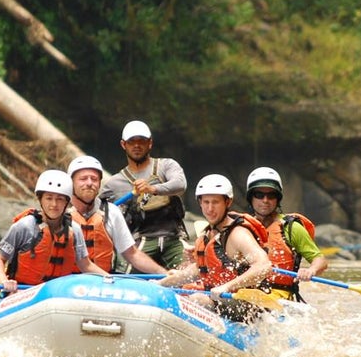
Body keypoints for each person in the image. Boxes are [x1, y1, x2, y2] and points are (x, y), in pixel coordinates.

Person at [159, 174, 272, 320]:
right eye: (206, 202)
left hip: (248, 306)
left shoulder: (238, 234)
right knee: (179, 295)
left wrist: (227, 286)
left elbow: (264, 266)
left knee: (197, 299)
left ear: (228, 202)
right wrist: (160, 284)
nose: (210, 208)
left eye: (215, 202)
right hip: (219, 300)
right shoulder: (206, 235)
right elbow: (197, 270)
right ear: (200, 203)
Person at [0, 169, 111, 295]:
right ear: (40, 199)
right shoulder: (25, 226)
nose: (54, 204)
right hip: (23, 292)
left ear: (66, 202)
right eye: (49, 198)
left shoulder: (74, 230)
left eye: (60, 199)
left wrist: (108, 278)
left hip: (56, 294)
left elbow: (85, 265)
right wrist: (5, 281)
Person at [100, 120, 189, 270]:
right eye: (131, 142)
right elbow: (97, 209)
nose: (136, 145)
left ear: (150, 143)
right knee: (125, 273)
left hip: (174, 238)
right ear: (123, 145)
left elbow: (181, 184)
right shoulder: (114, 183)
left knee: (189, 274)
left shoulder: (166, 166)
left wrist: (152, 189)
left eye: (141, 141)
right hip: (140, 241)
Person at [66, 155, 167, 275]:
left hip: (103, 281)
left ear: (99, 183)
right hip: (66, 280)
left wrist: (163, 273)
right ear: (71, 183)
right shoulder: (60, 210)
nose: (89, 183)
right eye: (83, 179)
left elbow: (132, 254)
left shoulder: (111, 212)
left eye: (94, 179)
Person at [244, 167, 327, 301]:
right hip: (245, 294)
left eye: (271, 195)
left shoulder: (291, 227)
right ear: (251, 198)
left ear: (277, 199)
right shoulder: (242, 228)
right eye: (259, 195)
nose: (265, 200)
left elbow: (320, 260)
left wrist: (310, 271)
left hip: (280, 298)